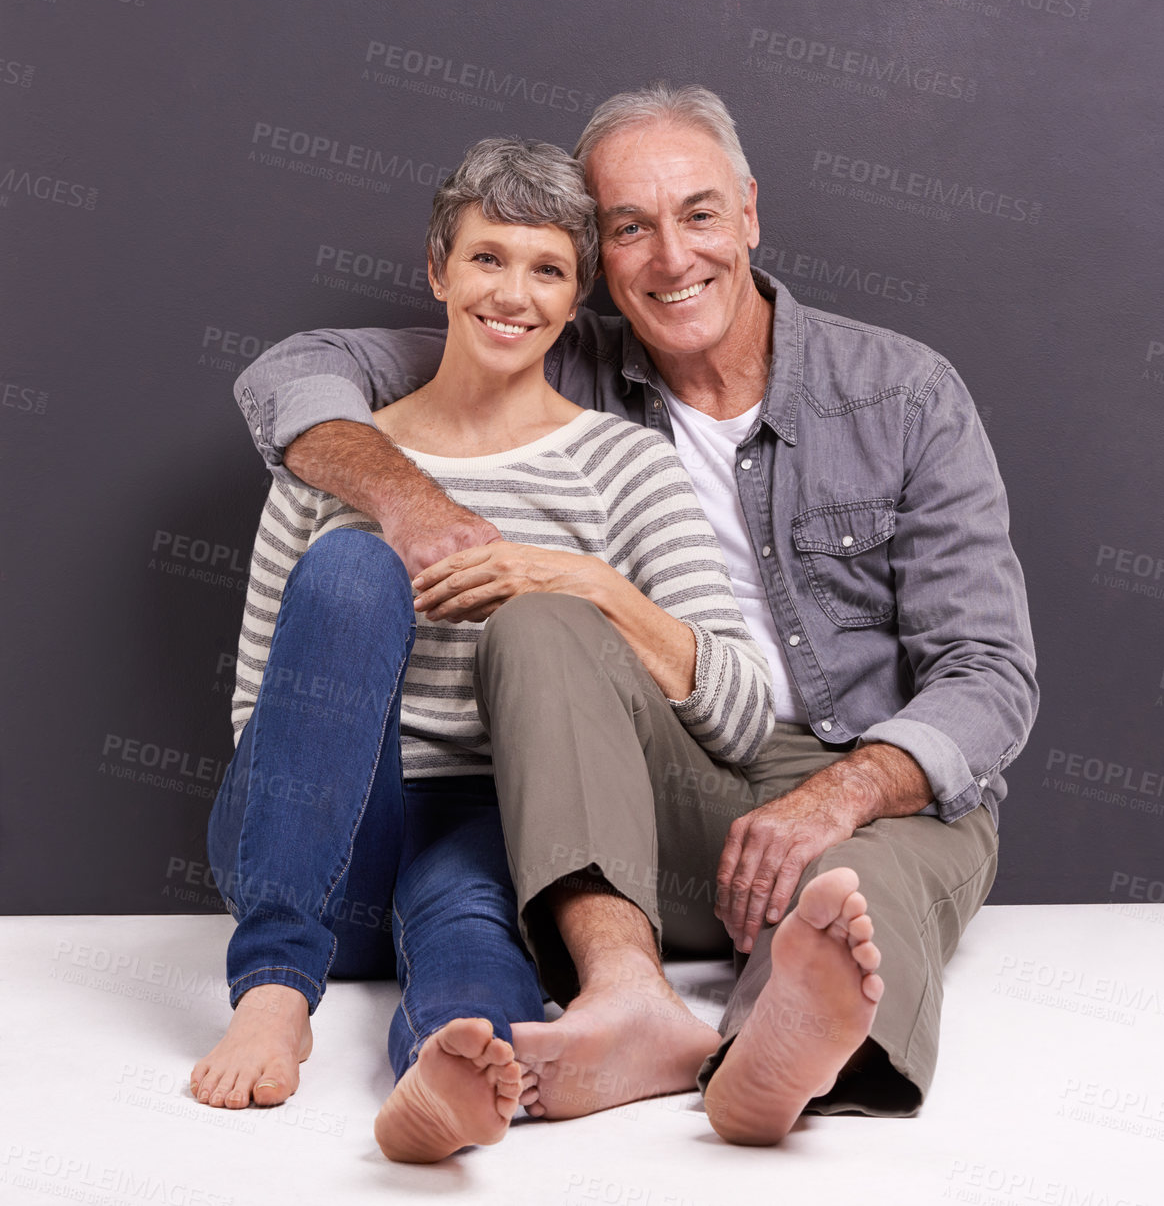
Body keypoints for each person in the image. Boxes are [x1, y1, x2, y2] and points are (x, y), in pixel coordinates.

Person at [234, 85, 1037, 1144]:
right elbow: (292, 374)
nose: (670, 257)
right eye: (628, 228)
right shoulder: (560, 352)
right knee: (537, 620)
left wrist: (833, 796)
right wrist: (414, 509)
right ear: (598, 260)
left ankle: (775, 1059)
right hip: (653, 788)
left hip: (869, 783)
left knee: (848, 885)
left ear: (749, 212)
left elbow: (988, 674)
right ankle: (626, 1000)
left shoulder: (902, 392)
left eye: (698, 214)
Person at [193, 136, 787, 1162]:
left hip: (501, 830)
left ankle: (453, 1072)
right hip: (317, 833)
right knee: (351, 572)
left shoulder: (623, 466)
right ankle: (276, 988)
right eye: (486, 258)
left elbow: (739, 711)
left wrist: (575, 579)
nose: (513, 293)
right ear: (438, 270)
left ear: (576, 300)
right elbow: (260, 712)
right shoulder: (337, 455)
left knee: (471, 928)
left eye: (548, 269)